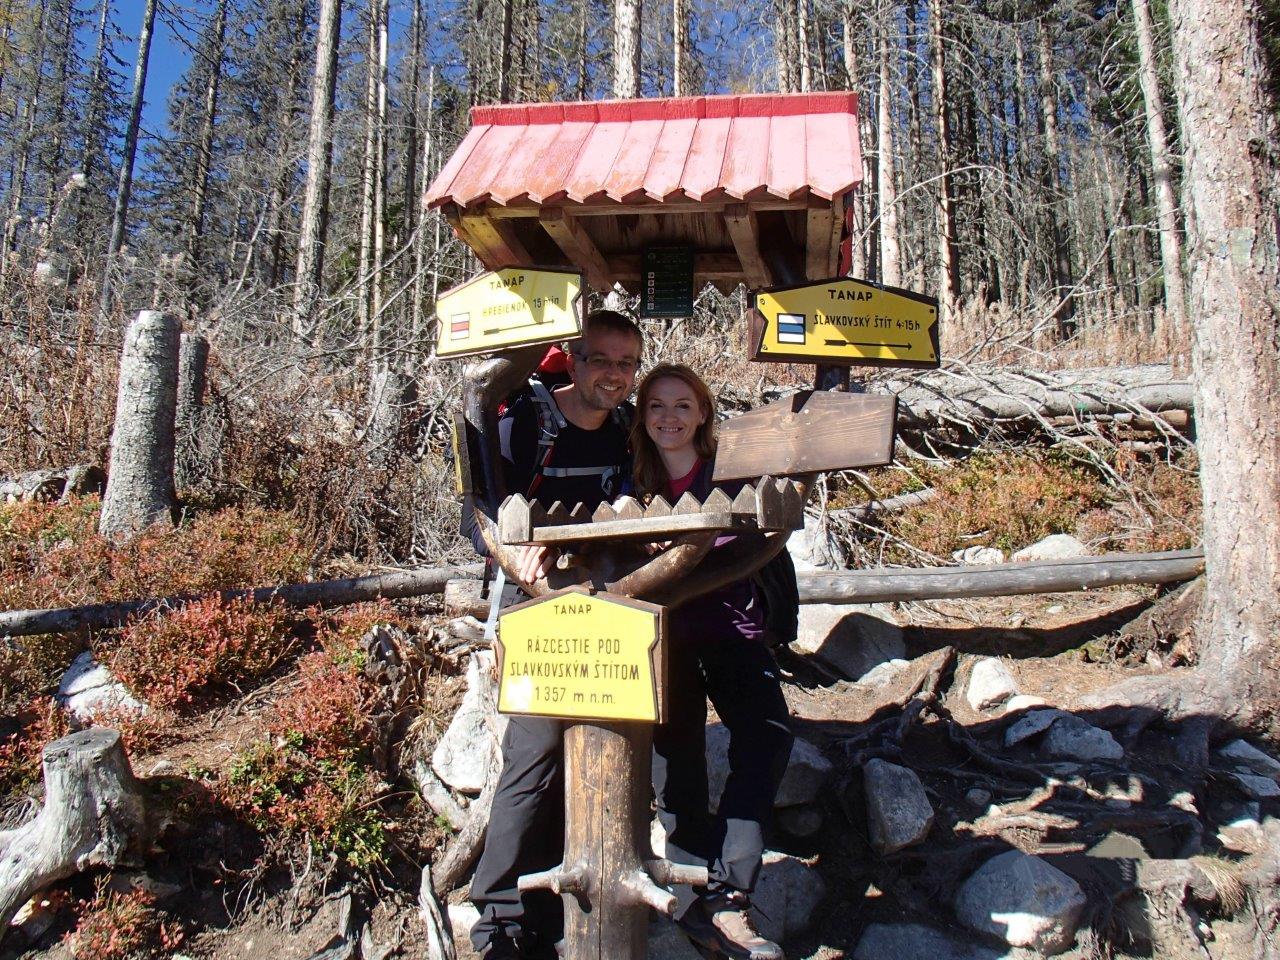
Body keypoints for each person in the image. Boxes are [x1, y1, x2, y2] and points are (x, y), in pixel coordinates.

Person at [469, 310, 644, 960]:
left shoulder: (628, 430)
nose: (615, 376)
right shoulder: (529, 419)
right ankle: (498, 922)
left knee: (597, 753)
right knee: (535, 756)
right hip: (535, 603)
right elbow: (478, 509)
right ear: (572, 358)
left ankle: (556, 912)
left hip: (606, 603)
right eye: (601, 360)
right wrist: (510, 554)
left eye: (626, 364)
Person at [631, 364, 795, 960]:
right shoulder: (631, 484)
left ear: (702, 413)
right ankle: (691, 880)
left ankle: (730, 889)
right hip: (664, 638)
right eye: (656, 406)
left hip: (732, 631)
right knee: (676, 759)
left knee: (767, 736)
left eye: (682, 405)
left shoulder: (731, 472)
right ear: (641, 416)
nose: (668, 417)